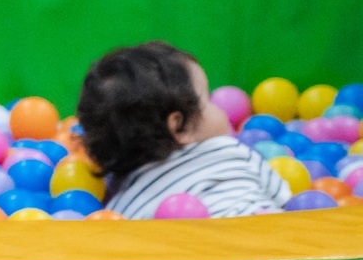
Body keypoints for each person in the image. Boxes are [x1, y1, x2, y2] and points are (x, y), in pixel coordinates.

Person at [75, 41, 288, 219]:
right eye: (208, 99)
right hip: (269, 250)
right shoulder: (228, 151)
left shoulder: (121, 212)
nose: (219, 109)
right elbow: (289, 203)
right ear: (179, 126)